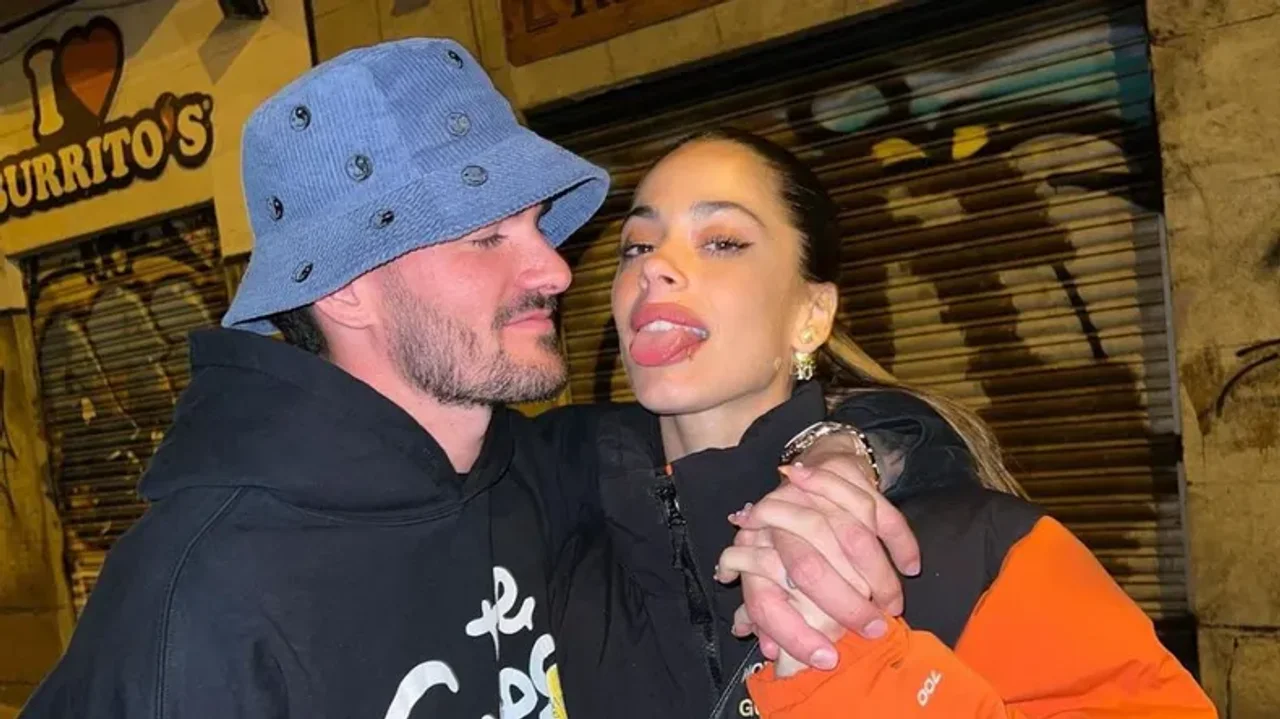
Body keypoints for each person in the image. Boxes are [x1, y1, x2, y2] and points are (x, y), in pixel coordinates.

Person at [19, 41, 900, 718]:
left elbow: (742, 425)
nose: (556, 269)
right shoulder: (201, 598)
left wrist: (839, 452)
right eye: (488, 238)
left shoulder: (538, 470)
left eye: (536, 226)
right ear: (348, 289)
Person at [545, 127, 1216, 718]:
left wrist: (849, 671)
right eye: (636, 246)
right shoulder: (553, 534)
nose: (655, 266)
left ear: (812, 314)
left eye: (722, 241)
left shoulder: (983, 548)